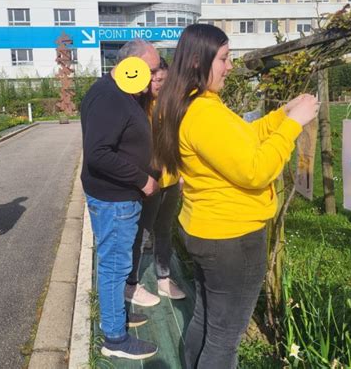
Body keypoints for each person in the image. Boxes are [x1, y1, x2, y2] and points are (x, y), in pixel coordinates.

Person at [152, 24, 319, 368]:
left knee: (205, 318)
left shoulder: (193, 104)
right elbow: (256, 170)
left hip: (206, 230)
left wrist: (281, 115)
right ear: (199, 61)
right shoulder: (204, 113)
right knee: (224, 338)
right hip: (232, 238)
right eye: (224, 58)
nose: (230, 66)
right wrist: (293, 125)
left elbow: (241, 137)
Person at [80, 39, 160, 360]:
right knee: (114, 266)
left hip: (116, 197)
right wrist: (142, 178)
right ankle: (114, 338)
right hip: (115, 200)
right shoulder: (110, 98)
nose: (155, 78)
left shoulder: (118, 92)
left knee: (115, 262)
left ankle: (116, 317)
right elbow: (98, 153)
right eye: (151, 71)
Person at [125, 57, 186, 307]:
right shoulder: (138, 106)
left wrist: (182, 174)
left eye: (163, 79)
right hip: (150, 180)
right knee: (143, 231)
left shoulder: (173, 105)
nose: (158, 84)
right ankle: (131, 283)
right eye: (154, 79)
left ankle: (164, 278)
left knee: (164, 229)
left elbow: (181, 141)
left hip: (171, 179)